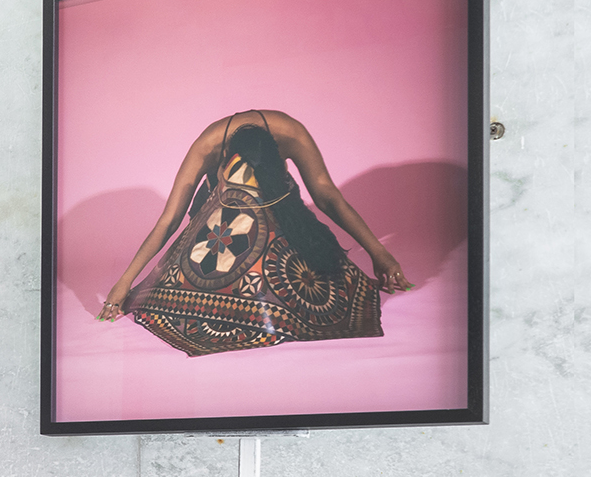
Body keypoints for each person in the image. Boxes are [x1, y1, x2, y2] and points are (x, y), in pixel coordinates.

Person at [96, 109, 411, 356]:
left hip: (280, 211)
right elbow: (169, 219)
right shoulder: (207, 147)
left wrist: (379, 253)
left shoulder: (291, 133)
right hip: (219, 220)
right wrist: (125, 281)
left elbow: (327, 196)